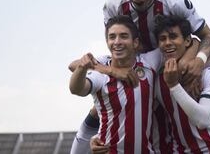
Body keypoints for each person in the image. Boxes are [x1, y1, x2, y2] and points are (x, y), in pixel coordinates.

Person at [72, 0, 210, 153]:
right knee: (107, 106)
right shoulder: (113, 5)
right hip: (134, 65)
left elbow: (205, 38)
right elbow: (112, 42)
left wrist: (196, 60)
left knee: (162, 117)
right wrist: (114, 71)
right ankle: (97, 136)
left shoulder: (175, 1)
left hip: (163, 62)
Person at [69, 15, 163, 153]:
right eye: (112, 37)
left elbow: (187, 42)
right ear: (107, 42)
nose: (117, 42)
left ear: (135, 42)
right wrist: (83, 68)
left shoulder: (149, 63)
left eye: (123, 36)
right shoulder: (100, 75)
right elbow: (76, 89)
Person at [152, 15, 210, 153]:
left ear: (187, 40)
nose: (167, 43)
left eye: (173, 37)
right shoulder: (158, 80)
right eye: (162, 39)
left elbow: (203, 120)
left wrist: (173, 86)